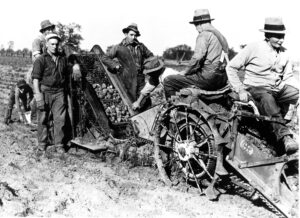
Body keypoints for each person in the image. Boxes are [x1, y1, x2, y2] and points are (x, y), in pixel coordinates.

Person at [226, 17, 299, 155]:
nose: (281, 40)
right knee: (267, 98)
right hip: (255, 87)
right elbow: (231, 67)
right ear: (267, 35)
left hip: (276, 88)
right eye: (277, 37)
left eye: (282, 36)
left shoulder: (284, 53)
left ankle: (290, 125)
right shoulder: (253, 48)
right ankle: (285, 137)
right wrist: (240, 89)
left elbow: (288, 76)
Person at [164, 9, 229, 99]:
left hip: (208, 79)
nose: (196, 28)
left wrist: (184, 72)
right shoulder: (221, 36)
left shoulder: (204, 34)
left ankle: (173, 108)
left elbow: (197, 58)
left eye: (195, 25)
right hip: (222, 79)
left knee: (168, 81)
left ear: (199, 24)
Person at [32, 33, 71, 153]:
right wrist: (38, 96)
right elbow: (35, 79)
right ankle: (42, 144)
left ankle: (59, 145)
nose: (54, 46)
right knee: (43, 118)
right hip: (45, 91)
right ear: (47, 45)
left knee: (60, 119)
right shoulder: (41, 60)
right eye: (52, 44)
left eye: (56, 44)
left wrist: (75, 67)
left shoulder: (63, 59)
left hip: (59, 92)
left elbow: (67, 74)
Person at [107, 23, 154, 109]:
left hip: (140, 78)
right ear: (126, 34)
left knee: (145, 102)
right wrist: (115, 65)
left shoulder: (141, 47)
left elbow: (151, 57)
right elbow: (106, 58)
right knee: (131, 103)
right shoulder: (118, 47)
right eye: (131, 35)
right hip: (127, 79)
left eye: (135, 35)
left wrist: (147, 66)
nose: (133, 37)